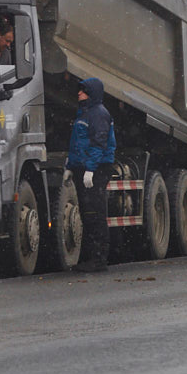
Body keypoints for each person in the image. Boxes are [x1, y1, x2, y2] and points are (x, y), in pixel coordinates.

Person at [67, 77, 116, 273]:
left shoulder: (98, 114)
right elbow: (77, 144)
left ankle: (99, 258)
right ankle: (90, 258)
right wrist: (71, 166)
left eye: (84, 91)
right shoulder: (84, 113)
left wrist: (91, 169)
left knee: (95, 213)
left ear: (92, 93)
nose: (79, 93)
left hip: (97, 169)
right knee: (87, 214)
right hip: (85, 167)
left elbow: (99, 143)